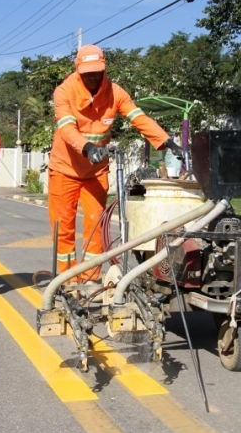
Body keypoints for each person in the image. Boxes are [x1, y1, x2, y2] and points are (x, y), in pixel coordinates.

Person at [48, 44, 183, 283]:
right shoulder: (64, 92)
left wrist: (167, 141)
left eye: (96, 71)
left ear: (104, 69)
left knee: (95, 226)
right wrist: (88, 148)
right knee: (63, 228)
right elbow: (67, 128)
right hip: (64, 170)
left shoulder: (116, 93)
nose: (91, 76)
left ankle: (89, 281)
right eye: (86, 72)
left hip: (95, 172)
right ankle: (66, 281)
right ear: (78, 70)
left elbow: (138, 117)